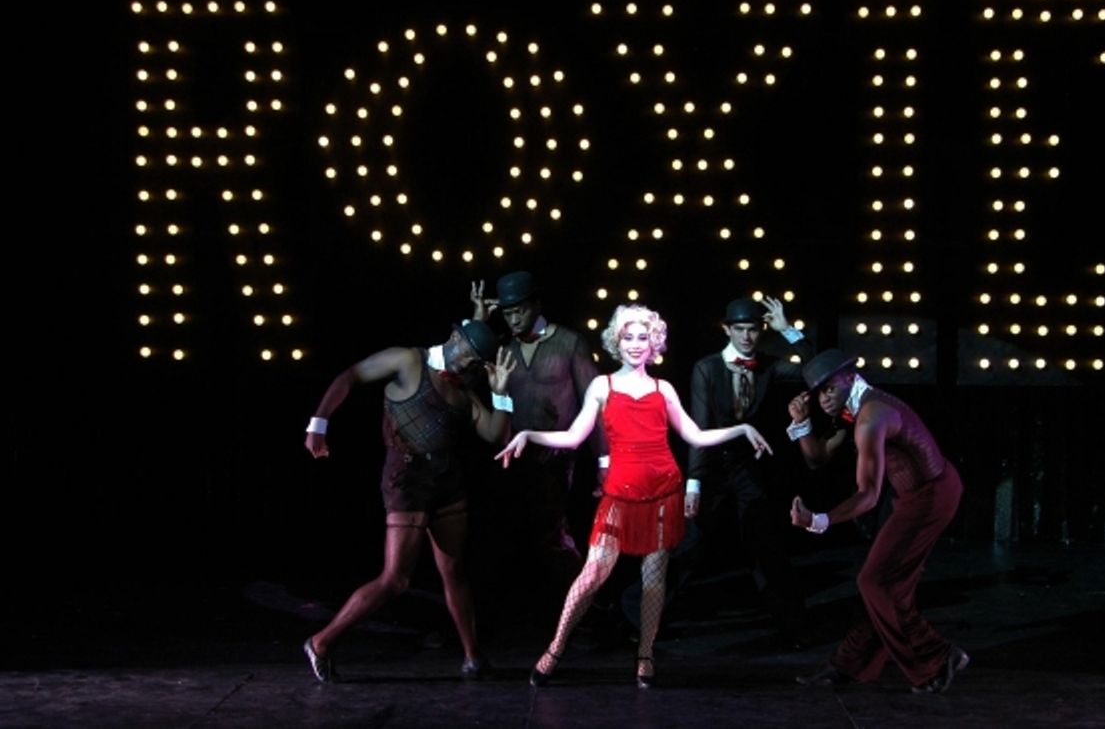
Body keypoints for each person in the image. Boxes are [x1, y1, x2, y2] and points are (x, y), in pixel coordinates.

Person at [495, 304, 774, 689]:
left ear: (654, 343)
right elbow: (574, 437)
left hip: (662, 491)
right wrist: (528, 434)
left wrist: (741, 429)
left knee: (653, 581)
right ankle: (556, 647)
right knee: (592, 574)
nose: (636, 344)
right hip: (619, 494)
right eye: (628, 337)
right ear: (617, 341)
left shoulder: (663, 389)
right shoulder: (602, 386)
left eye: (643, 337)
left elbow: (694, 435)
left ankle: (645, 655)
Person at [300, 320, 516, 683]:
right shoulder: (408, 360)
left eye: (477, 362)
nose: (469, 364)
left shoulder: (464, 393)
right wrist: (318, 424)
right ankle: (321, 642)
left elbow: (496, 435)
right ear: (454, 337)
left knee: (454, 570)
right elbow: (351, 375)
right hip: (407, 480)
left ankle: (473, 657)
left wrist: (501, 393)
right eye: (468, 354)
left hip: (447, 483)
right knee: (396, 579)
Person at [787, 349, 969, 694]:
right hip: (910, 496)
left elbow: (868, 496)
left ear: (850, 377)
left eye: (829, 389)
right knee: (882, 587)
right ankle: (849, 664)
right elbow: (817, 458)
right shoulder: (853, 408)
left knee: (877, 582)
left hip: (931, 496)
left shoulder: (872, 415)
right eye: (818, 393)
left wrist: (818, 521)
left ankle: (938, 656)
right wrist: (801, 423)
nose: (824, 399)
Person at [678, 296, 815, 643]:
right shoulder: (707, 368)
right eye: (739, 329)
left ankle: (794, 628)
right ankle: (636, 619)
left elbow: (816, 371)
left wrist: (788, 331)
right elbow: (699, 429)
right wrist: (693, 483)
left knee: (764, 544)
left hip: (748, 467)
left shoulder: (768, 365)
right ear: (727, 330)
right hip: (711, 464)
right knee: (690, 545)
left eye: (753, 330)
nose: (746, 337)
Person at [469, 272, 608, 556]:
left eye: (519, 311)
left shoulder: (569, 343)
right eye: (507, 313)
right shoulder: (504, 348)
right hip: (512, 461)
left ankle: (576, 584)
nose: (513, 319)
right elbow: (463, 374)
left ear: (536, 304)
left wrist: (604, 462)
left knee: (554, 537)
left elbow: (596, 407)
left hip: (558, 460)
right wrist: (478, 321)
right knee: (515, 543)